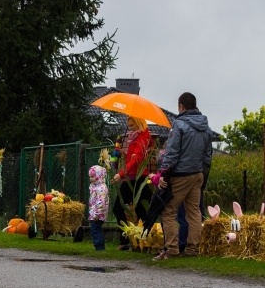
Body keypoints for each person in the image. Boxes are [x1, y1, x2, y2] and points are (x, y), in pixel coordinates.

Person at [153, 92, 213, 261]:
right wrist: (203, 175)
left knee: (168, 211)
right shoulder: (206, 128)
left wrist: (163, 173)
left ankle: (172, 249)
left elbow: (172, 152)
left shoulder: (179, 125)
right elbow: (208, 155)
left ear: (181, 106)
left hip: (180, 174)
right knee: (194, 212)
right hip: (197, 174)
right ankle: (192, 249)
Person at [111, 116, 154, 250]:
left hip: (137, 178)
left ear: (139, 124)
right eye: (128, 125)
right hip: (133, 177)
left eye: (132, 125)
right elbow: (133, 158)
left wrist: (121, 174)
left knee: (121, 208)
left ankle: (133, 239)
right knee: (139, 210)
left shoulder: (142, 138)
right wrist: (123, 154)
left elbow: (136, 160)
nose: (129, 128)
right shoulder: (135, 137)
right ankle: (138, 239)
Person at [88, 165, 109, 251]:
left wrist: (97, 214)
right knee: (95, 229)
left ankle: (99, 247)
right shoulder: (95, 186)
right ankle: (99, 246)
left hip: (98, 214)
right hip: (94, 212)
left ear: (99, 176)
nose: (91, 179)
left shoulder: (101, 188)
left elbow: (101, 202)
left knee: (95, 230)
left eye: (93, 176)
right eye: (90, 177)